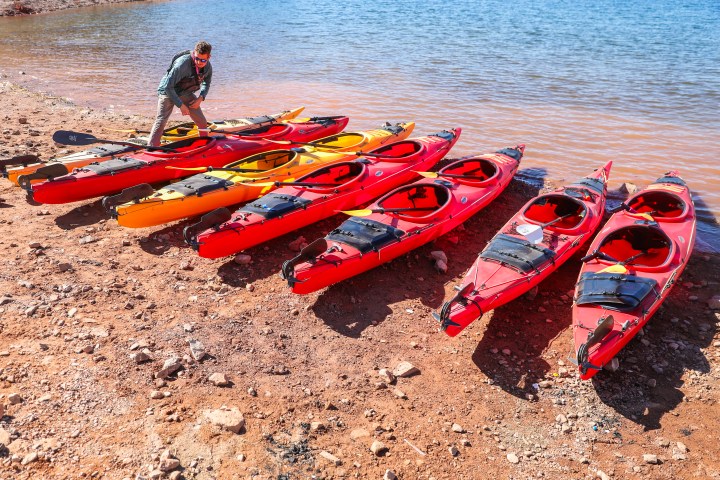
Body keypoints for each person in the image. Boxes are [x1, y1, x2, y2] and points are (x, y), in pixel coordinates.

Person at [148, 41, 213, 146]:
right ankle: (151, 147)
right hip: (167, 91)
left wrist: (201, 98)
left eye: (203, 60)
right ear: (194, 54)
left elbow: (207, 83)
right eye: (196, 58)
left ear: (209, 57)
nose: (199, 62)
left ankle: (205, 143)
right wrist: (181, 105)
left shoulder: (208, 67)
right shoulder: (182, 64)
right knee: (162, 119)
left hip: (185, 92)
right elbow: (168, 86)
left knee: (202, 121)